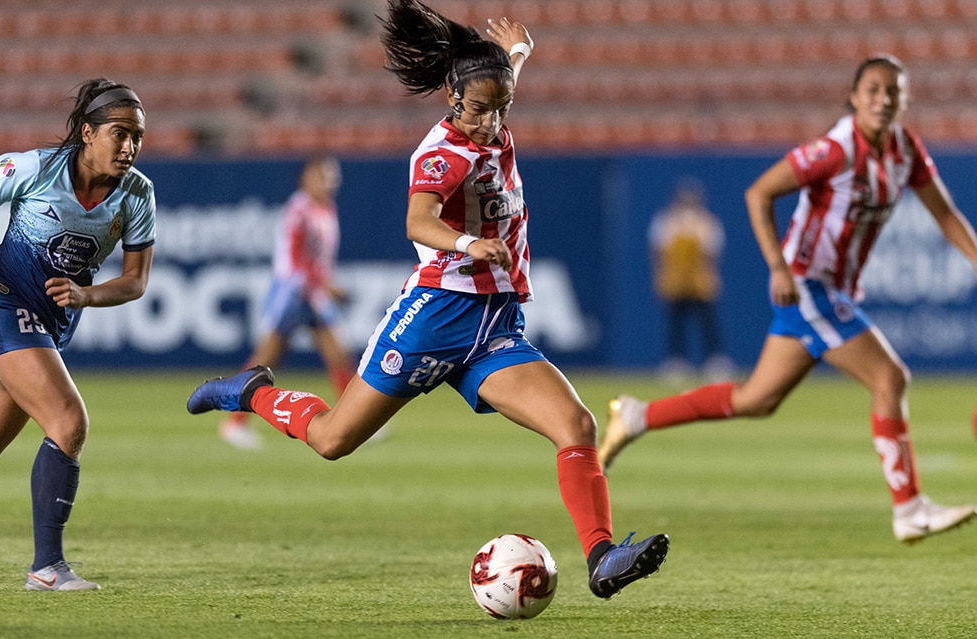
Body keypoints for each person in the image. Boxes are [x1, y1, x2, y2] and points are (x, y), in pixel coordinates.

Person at [188, 0, 668, 599]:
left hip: (493, 328)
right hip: (435, 317)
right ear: (451, 98)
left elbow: (496, 83)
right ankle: (248, 392)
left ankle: (601, 556)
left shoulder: (488, 104)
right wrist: (470, 243)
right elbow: (418, 221)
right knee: (333, 440)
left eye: (501, 107)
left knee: (576, 424)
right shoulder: (443, 153)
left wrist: (517, 53)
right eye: (479, 108)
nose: (490, 121)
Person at [599, 55, 977, 544]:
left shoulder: (906, 149)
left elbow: (945, 215)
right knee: (890, 378)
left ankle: (636, 416)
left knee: (756, 400)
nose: (883, 99)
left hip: (833, 289)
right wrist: (778, 266)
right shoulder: (835, 149)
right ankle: (909, 509)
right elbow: (759, 192)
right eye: (873, 90)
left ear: (904, 99)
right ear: (855, 97)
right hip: (807, 284)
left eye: (893, 91)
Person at [0, 78, 155, 590]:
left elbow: (135, 281)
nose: (130, 146)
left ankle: (47, 568)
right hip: (2, 303)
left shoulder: (137, 194)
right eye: (119, 133)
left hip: (47, 327)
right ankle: (47, 568)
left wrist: (87, 295)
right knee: (69, 421)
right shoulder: (33, 168)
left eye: (137, 136)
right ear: (87, 133)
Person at [219, 156, 356, 450]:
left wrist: (321, 285)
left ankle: (354, 419)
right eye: (323, 176)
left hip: (312, 292)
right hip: (292, 292)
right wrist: (326, 285)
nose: (330, 182)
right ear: (306, 178)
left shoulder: (326, 208)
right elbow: (296, 260)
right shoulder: (299, 210)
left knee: (338, 353)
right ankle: (234, 422)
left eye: (333, 177)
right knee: (266, 358)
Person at [648, 177, 733, 385]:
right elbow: (657, 251)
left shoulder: (707, 222)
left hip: (700, 280)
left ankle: (715, 361)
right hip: (676, 280)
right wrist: (659, 276)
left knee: (708, 322)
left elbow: (713, 253)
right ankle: (676, 362)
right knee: (676, 323)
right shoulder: (665, 221)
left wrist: (713, 276)